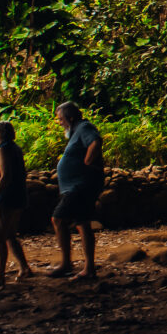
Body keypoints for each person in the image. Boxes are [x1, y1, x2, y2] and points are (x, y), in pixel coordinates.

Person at [49, 101, 103, 280]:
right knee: (82, 223)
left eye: (61, 119)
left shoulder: (83, 127)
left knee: (58, 218)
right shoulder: (75, 131)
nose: (59, 122)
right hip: (77, 186)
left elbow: (95, 142)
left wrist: (87, 162)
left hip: (80, 186)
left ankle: (66, 264)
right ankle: (88, 268)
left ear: (70, 117)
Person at [0, 120, 32, 286]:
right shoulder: (15, 148)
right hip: (17, 197)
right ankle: (24, 268)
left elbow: (5, 176)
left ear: (1, 133)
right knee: (10, 235)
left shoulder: (3, 149)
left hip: (5, 199)